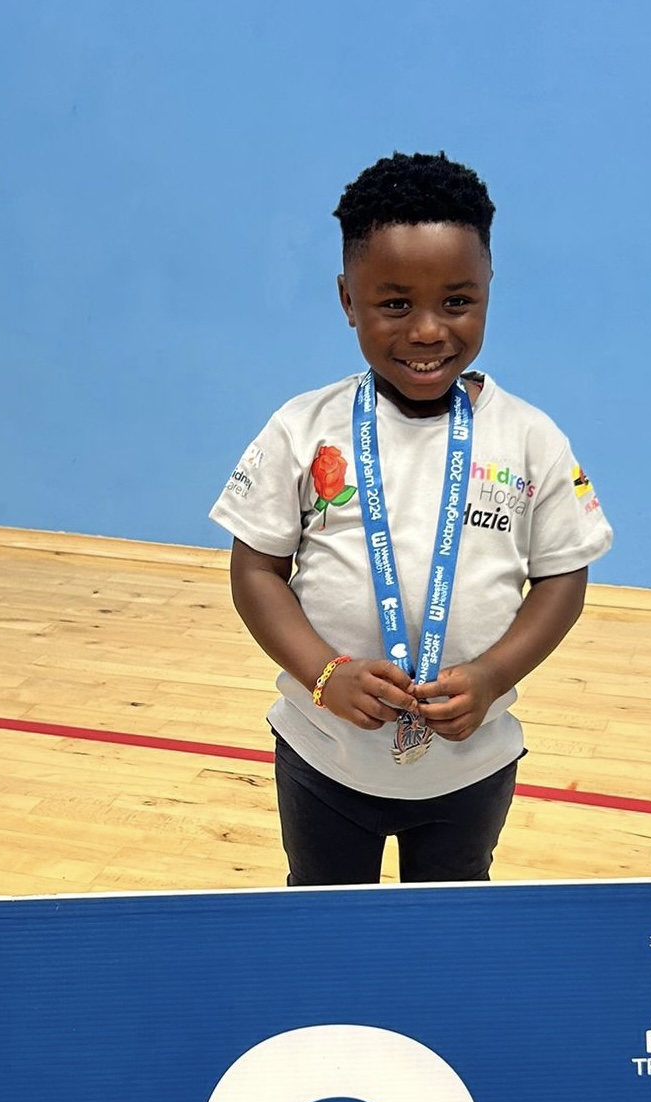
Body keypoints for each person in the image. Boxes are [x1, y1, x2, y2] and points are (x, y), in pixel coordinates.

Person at [210, 151, 612, 886]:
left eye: (457, 301)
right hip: (322, 755)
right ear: (346, 299)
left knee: (450, 929)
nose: (428, 331)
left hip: (470, 764)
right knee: (327, 924)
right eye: (395, 304)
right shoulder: (302, 430)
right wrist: (323, 673)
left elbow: (562, 578)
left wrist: (493, 674)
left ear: (488, 291)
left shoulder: (530, 438)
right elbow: (255, 570)